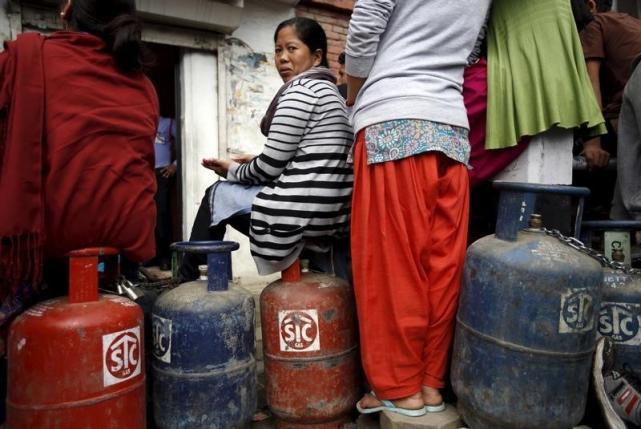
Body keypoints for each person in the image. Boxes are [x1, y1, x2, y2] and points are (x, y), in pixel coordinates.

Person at [0, 0, 158, 412]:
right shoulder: (142, 85)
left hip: (37, 256)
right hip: (122, 257)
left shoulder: (29, 57)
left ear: (67, 8)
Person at [345, 0, 490, 417]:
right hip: (451, 125)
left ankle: (398, 386)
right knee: (441, 266)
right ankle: (428, 384)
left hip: (394, 116)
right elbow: (472, 47)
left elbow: (367, 20)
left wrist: (354, 93)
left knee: (392, 264)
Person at [179, 17, 353, 281]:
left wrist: (232, 170)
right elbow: (303, 157)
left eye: (292, 49)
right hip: (332, 213)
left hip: (303, 215)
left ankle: (190, 281)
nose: (282, 58)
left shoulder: (301, 90)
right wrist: (257, 160)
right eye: (277, 50)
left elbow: (270, 166)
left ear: (316, 57)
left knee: (217, 194)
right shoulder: (329, 92)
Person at [572, 0, 641, 169]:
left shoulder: (592, 24)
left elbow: (590, 82)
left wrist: (592, 143)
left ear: (590, 6)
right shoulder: (631, 22)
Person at [153, 116, 177, 271]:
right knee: (143, 216)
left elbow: (184, 143)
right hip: (142, 172)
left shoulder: (168, 123)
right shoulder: (141, 120)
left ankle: (164, 258)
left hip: (161, 173)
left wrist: (175, 165)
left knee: (161, 214)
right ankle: (149, 257)